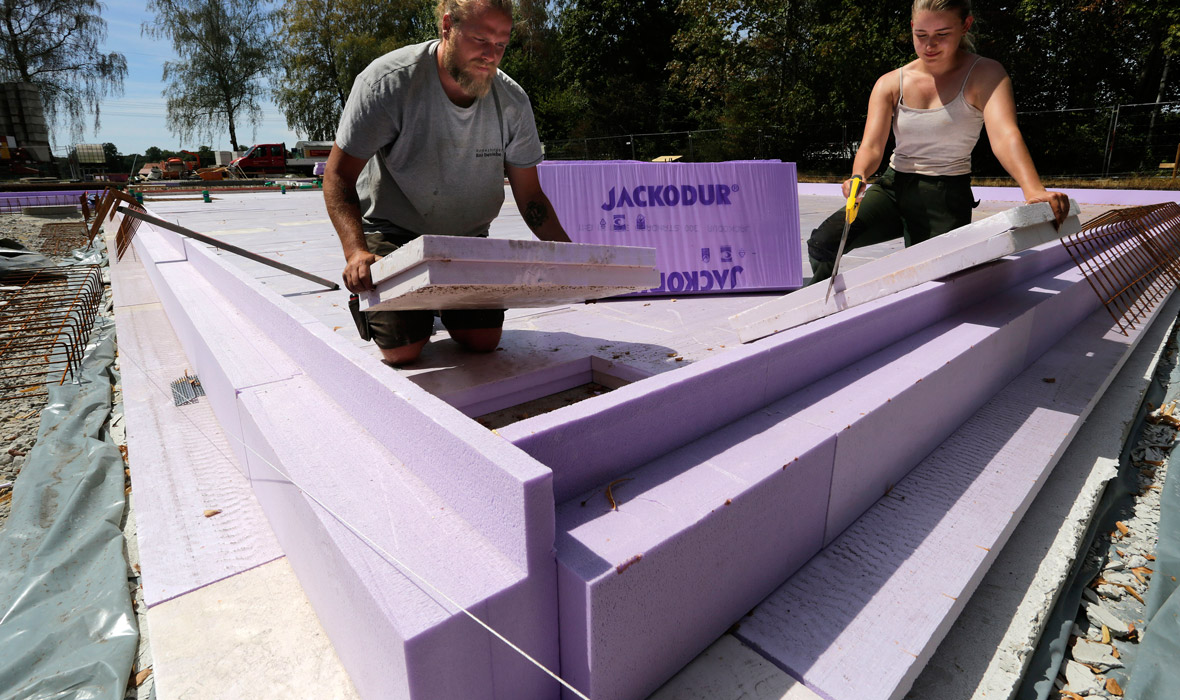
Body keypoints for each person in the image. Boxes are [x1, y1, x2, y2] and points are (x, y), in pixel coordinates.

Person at [323, 0, 570, 365]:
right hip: (395, 233)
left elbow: (530, 195)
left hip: (466, 238)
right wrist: (356, 252)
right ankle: (381, 309)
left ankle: (434, 306)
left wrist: (569, 255)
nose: (491, 55)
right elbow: (338, 177)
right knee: (401, 351)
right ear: (447, 26)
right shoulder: (388, 83)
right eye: (480, 39)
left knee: (483, 342)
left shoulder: (513, 101)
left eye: (501, 44)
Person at [806, 0, 1070, 284]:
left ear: (965, 25)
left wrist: (1033, 190)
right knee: (824, 243)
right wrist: (858, 175)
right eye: (921, 35)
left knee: (933, 279)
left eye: (942, 34)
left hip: (944, 194)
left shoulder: (985, 75)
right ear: (911, 28)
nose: (930, 45)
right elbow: (871, 145)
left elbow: (1005, 135)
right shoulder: (891, 83)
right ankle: (824, 310)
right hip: (894, 188)